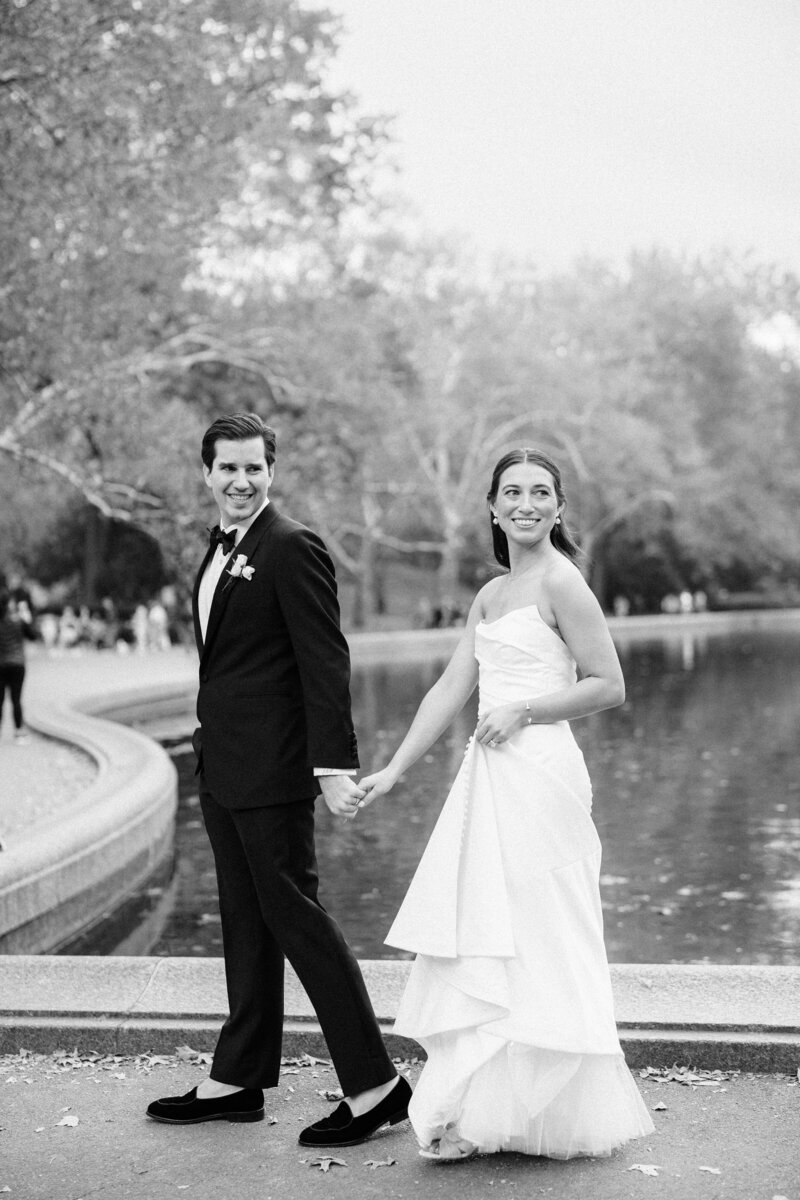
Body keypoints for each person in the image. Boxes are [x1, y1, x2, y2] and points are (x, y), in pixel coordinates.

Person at [359, 448, 654, 1162]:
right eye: (512, 492)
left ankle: (546, 1109)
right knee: (489, 935)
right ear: (491, 507)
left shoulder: (564, 583)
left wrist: (526, 711)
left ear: (558, 507)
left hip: (542, 775)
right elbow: (450, 689)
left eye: (540, 492)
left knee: (546, 934)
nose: (526, 502)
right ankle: (486, 1110)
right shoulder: (490, 596)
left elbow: (608, 684)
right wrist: (394, 769)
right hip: (487, 778)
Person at [146, 413, 409, 1144]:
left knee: (300, 921)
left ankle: (376, 1085)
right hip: (223, 765)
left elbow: (326, 663)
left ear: (272, 471)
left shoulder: (293, 547)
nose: (240, 480)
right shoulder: (220, 548)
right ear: (207, 474)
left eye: (253, 468)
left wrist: (331, 770)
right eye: (227, 468)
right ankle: (238, 1080)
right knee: (247, 924)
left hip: (276, 771)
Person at [0, 592, 33, 743]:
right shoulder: (18, 621)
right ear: (9, 605)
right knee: (16, 699)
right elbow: (32, 635)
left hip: (1, 665)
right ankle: (19, 732)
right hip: (17, 664)